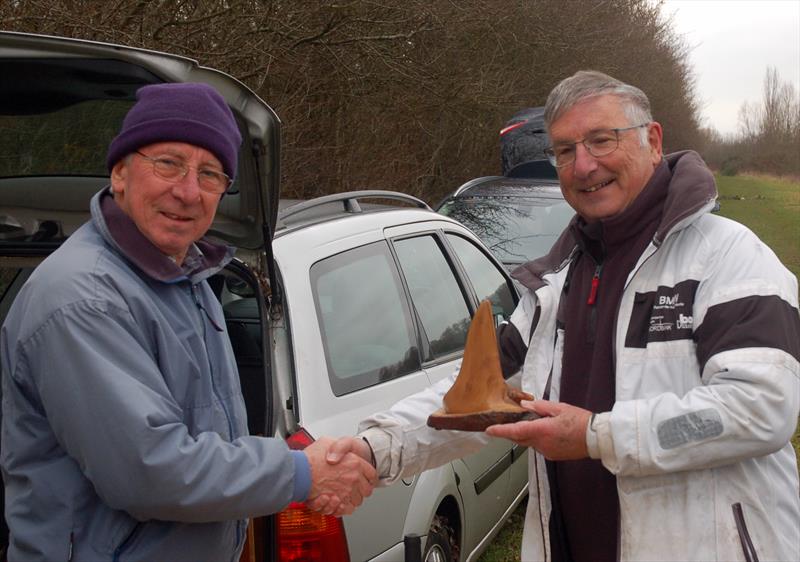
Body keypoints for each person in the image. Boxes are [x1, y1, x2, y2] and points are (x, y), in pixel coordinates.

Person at [323, 70, 800, 561]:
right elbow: (470, 397)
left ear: (653, 141)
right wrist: (373, 449)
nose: (584, 165)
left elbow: (759, 408)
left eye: (601, 140)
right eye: (565, 150)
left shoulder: (729, 258)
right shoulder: (557, 284)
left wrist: (597, 435)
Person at [0, 82, 375, 561]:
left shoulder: (189, 278)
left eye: (210, 174)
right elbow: (149, 471)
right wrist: (300, 472)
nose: (187, 191)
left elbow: (211, 438)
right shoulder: (83, 298)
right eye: (168, 163)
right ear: (120, 173)